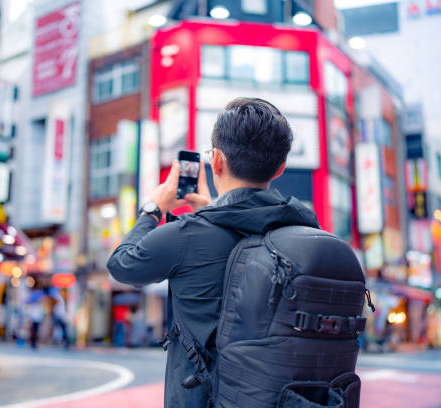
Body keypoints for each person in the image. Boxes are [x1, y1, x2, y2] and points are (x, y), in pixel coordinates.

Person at [107, 97, 320, 408]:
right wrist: (211, 211)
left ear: (217, 161)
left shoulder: (189, 234)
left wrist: (152, 209)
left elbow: (122, 264)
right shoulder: (304, 231)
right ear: (280, 167)